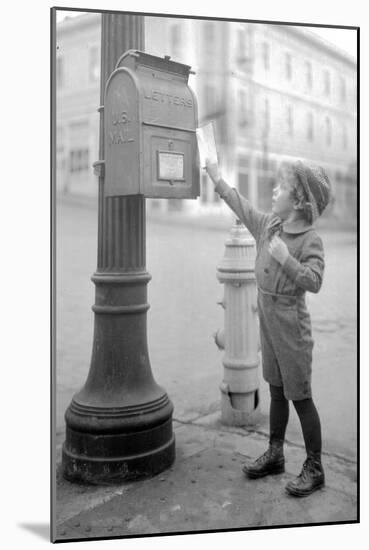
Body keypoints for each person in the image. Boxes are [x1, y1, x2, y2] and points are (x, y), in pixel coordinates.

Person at [205, 158, 331, 497]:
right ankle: (275, 453)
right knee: (276, 390)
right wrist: (218, 177)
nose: (273, 190)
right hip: (268, 323)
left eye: (282, 187)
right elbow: (241, 206)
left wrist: (284, 259)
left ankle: (314, 466)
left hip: (292, 328)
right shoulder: (269, 226)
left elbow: (315, 281)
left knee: (300, 396)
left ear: (300, 200)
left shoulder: (309, 240)